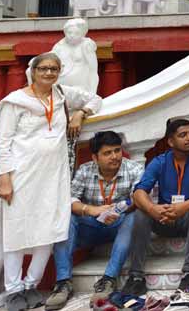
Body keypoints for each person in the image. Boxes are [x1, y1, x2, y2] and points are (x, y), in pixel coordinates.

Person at [0, 52, 101, 311]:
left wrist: (80, 113)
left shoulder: (62, 94)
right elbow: (2, 143)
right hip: (21, 175)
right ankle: (13, 290)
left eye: (54, 68)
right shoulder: (15, 102)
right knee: (16, 231)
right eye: (43, 69)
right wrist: (5, 179)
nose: (49, 73)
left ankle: (32, 285)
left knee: (50, 229)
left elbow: (95, 99)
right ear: (33, 71)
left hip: (54, 176)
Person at [124, 118, 189, 295]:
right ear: (170, 141)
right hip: (164, 218)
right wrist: (153, 209)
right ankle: (136, 276)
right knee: (141, 213)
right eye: (183, 135)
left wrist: (184, 207)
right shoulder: (160, 161)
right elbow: (139, 192)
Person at [48, 131, 142, 309]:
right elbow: (69, 200)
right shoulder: (85, 170)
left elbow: (139, 197)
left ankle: (108, 280)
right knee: (65, 217)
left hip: (118, 224)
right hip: (90, 225)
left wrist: (117, 210)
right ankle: (63, 283)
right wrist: (91, 210)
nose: (114, 157)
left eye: (117, 150)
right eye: (107, 153)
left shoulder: (134, 169)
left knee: (134, 216)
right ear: (95, 157)